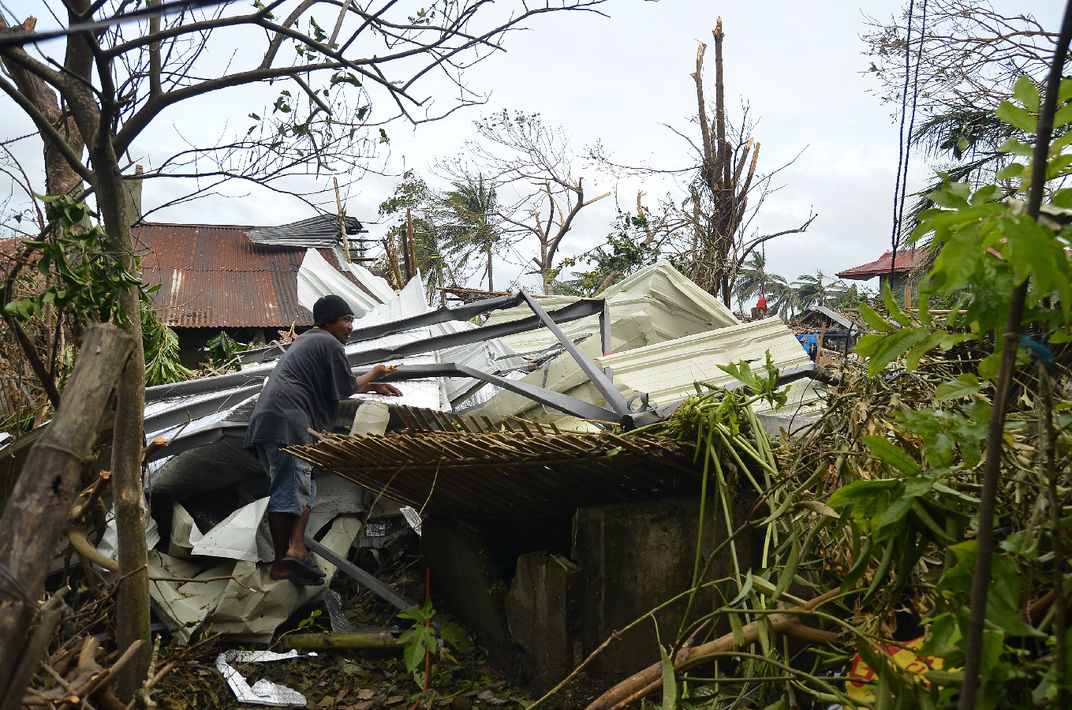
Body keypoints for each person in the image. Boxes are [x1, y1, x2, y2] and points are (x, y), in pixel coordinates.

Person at [245, 294, 402, 585]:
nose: (350, 327)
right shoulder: (328, 343)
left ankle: (296, 549)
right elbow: (343, 388)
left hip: (274, 422)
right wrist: (376, 371)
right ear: (328, 321)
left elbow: (334, 386)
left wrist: (372, 385)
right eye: (346, 320)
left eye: (352, 320)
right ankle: (283, 562)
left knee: (303, 489)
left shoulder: (309, 342)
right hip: (287, 423)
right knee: (289, 493)